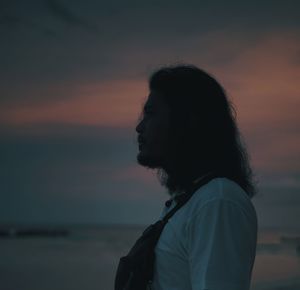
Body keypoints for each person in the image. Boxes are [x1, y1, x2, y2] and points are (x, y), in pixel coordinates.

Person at [135, 64, 258, 290]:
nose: (139, 127)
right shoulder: (193, 200)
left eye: (151, 113)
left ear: (186, 121)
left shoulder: (217, 201)